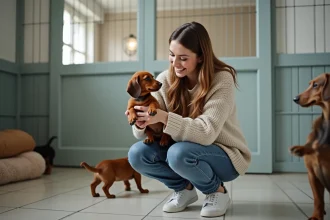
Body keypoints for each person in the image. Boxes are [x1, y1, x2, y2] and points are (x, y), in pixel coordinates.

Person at [125, 21, 251, 217]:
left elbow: (207, 133)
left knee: (177, 153)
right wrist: (141, 121)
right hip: (183, 150)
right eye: (172, 55)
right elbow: (139, 133)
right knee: (137, 154)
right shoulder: (165, 79)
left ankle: (217, 191)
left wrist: (165, 118)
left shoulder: (222, 79)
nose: (175, 63)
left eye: (183, 58)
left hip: (224, 155)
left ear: (200, 57)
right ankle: (184, 189)